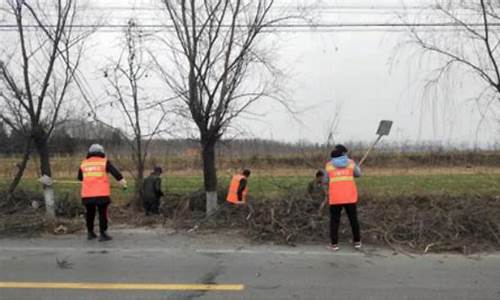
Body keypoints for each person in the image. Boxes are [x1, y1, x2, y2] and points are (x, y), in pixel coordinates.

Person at [78, 144, 127, 241]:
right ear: (102, 152)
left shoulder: (84, 163)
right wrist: (123, 183)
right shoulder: (104, 162)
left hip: (87, 194)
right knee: (102, 213)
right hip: (101, 194)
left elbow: (80, 178)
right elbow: (116, 173)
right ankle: (103, 234)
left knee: (90, 213)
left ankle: (90, 233)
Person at [323, 144, 362, 251]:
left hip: (335, 198)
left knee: (335, 221)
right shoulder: (351, 163)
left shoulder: (329, 165)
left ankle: (334, 245)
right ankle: (357, 242)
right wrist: (354, 168)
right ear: (344, 153)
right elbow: (358, 174)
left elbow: (325, 181)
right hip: (350, 197)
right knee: (353, 220)